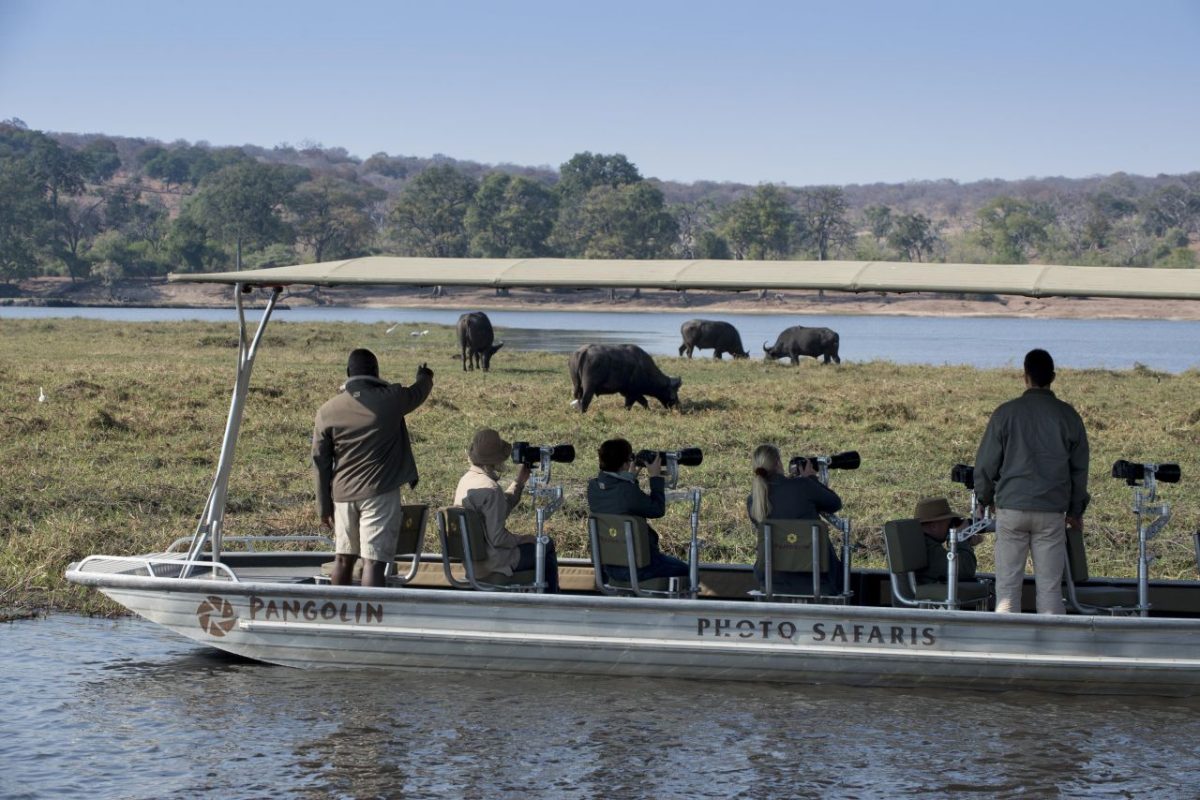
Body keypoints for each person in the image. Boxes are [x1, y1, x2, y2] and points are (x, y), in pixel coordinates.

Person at [974, 348, 1089, 614]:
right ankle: (1051, 649)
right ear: (1053, 377)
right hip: (1051, 511)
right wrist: (1075, 510)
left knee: (1007, 586)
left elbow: (986, 464)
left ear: (1025, 377)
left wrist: (985, 498)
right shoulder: (1068, 415)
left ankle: (1007, 646)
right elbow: (1079, 470)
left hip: (1012, 508)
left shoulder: (1005, 413)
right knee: (1049, 587)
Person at [313, 348, 433, 587]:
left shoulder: (327, 411)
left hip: (343, 495)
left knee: (343, 559)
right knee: (373, 561)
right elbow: (419, 392)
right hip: (380, 491)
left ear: (348, 373)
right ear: (376, 372)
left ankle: (340, 614)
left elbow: (320, 462)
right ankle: (371, 615)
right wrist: (425, 376)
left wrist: (323, 506)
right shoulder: (392, 398)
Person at [453, 428, 560, 592]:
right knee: (546, 545)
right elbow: (498, 538)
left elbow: (497, 510)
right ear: (496, 459)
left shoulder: (466, 481)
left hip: (473, 563)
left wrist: (519, 483)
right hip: (493, 563)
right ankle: (551, 598)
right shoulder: (491, 489)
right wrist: (523, 539)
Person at [586, 438, 690, 584]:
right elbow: (657, 509)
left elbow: (620, 502)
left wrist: (630, 477)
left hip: (610, 567)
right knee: (688, 571)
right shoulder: (627, 491)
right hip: (640, 567)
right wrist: (655, 477)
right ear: (625, 463)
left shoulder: (593, 487)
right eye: (630, 458)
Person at [747, 444, 844, 594]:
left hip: (774, 582)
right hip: (819, 580)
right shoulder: (804, 486)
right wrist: (811, 478)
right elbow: (835, 503)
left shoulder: (754, 500)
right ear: (779, 463)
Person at [912, 496, 979, 585]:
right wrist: (960, 539)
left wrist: (964, 541)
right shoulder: (926, 548)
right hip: (929, 595)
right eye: (949, 523)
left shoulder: (917, 542)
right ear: (934, 526)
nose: (951, 527)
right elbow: (966, 570)